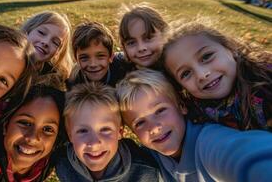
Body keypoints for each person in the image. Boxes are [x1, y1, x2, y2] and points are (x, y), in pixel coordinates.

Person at [116, 69, 272, 182]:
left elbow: (244, 154)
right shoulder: (151, 156)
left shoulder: (208, 142)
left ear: (182, 106)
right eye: (140, 122)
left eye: (160, 110)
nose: (154, 127)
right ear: (133, 133)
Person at [161, 20, 272, 130]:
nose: (202, 75)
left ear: (230, 47)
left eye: (206, 57)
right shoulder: (194, 111)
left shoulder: (267, 81)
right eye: (185, 73)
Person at [55, 82, 159, 182]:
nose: (94, 143)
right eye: (82, 131)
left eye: (105, 129)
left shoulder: (143, 173)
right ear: (70, 135)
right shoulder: (63, 165)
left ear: (120, 132)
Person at [66, 21, 130, 89]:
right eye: (84, 57)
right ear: (76, 59)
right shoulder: (74, 82)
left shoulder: (124, 66)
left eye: (100, 56)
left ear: (111, 56)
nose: (93, 64)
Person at [21, 11, 74, 91]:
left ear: (57, 53)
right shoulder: (5, 58)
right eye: (41, 33)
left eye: (55, 42)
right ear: (28, 31)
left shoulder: (53, 84)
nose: (46, 42)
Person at [118, 2, 168, 69]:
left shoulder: (177, 65)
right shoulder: (120, 67)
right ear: (124, 48)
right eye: (131, 43)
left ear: (164, 34)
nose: (141, 48)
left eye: (148, 37)